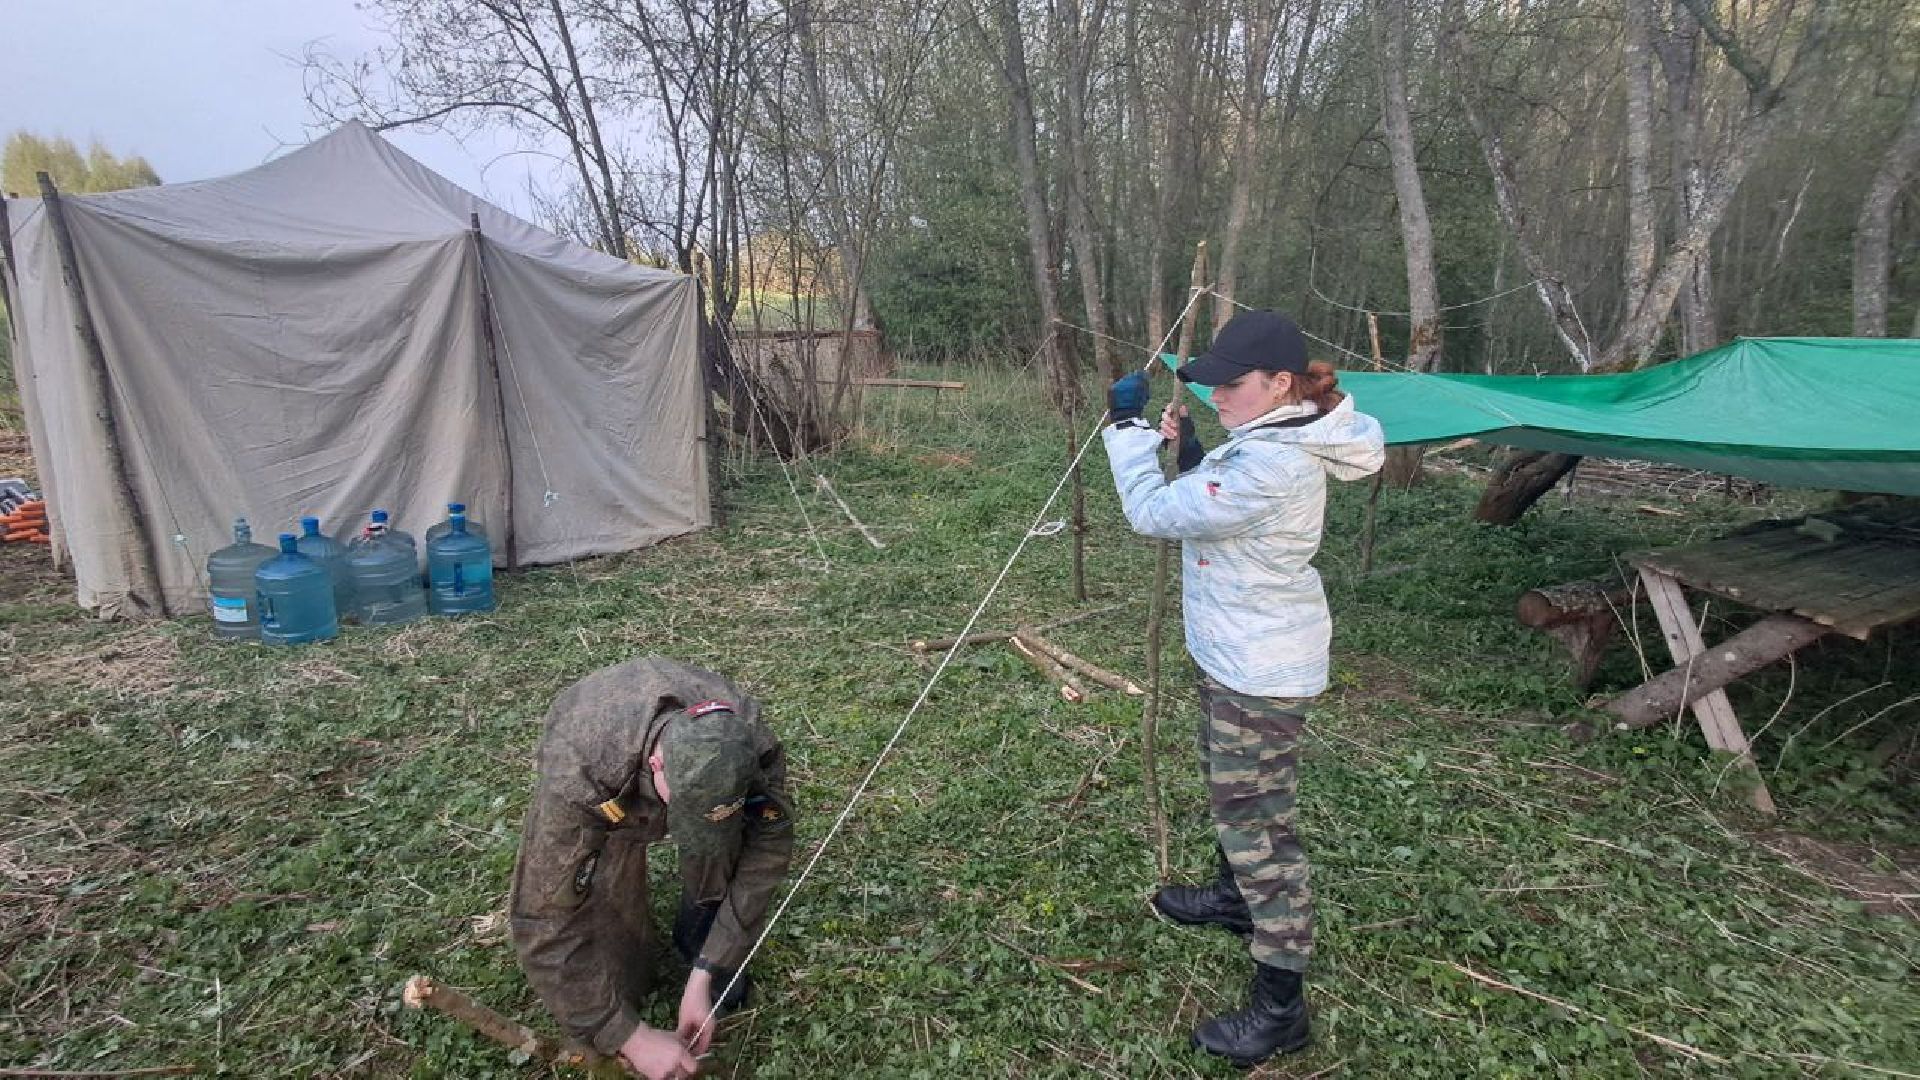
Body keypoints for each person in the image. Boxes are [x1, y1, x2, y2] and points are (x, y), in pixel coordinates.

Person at [1102, 310, 1384, 1067]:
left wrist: (1126, 428)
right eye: (1212, 383)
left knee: (1262, 832)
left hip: (1258, 674)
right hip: (1239, 656)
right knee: (1237, 801)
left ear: (1280, 383)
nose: (1217, 395)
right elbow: (1217, 503)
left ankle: (1280, 1008)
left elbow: (1155, 514)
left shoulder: (1272, 464)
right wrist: (1192, 448)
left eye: (1232, 384)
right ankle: (1232, 899)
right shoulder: (1272, 438)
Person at [510, 656, 795, 1080]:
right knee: (619, 968)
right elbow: (543, 921)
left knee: (724, 841)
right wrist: (627, 1035)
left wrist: (707, 970)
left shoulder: (747, 744)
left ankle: (699, 931)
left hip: (673, 767)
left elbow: (766, 849)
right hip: (609, 774)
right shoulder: (580, 774)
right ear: (657, 766)